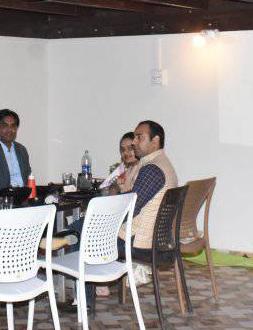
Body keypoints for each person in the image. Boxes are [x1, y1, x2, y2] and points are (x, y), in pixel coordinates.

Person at [67, 120, 179, 310]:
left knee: (79, 233)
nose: (134, 142)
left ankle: (84, 302)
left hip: (139, 240)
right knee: (83, 226)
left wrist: (98, 220)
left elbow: (129, 209)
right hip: (151, 237)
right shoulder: (162, 164)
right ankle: (91, 288)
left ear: (155, 140)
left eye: (139, 137)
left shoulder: (152, 169)